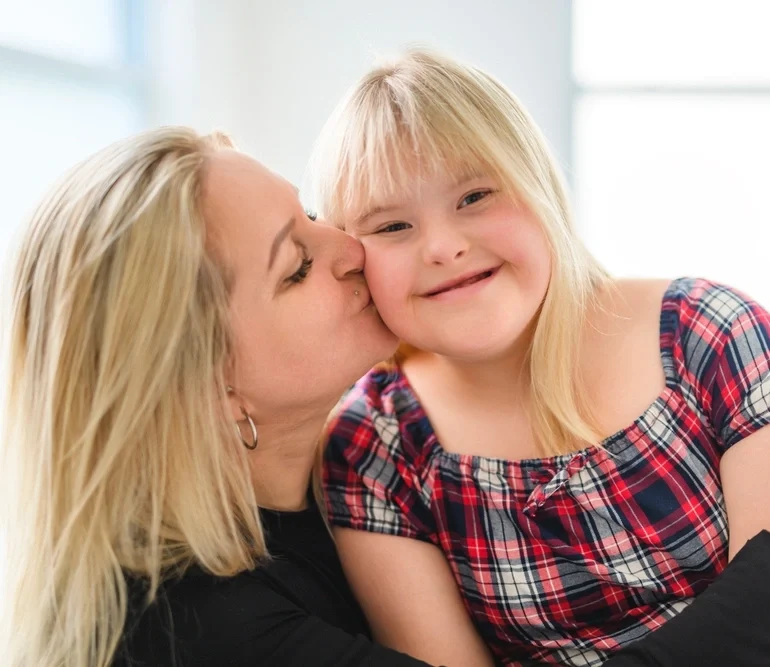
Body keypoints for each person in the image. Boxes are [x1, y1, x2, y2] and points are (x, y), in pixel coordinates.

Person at [313, 49, 770, 666]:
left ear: (539, 186)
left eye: (474, 195)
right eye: (392, 227)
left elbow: (760, 611)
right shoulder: (375, 444)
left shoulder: (708, 333)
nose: (445, 247)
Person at [0, 126, 442, 667]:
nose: (352, 246)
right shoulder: (194, 630)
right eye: (296, 268)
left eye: (312, 214)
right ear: (210, 389)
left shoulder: (376, 458)